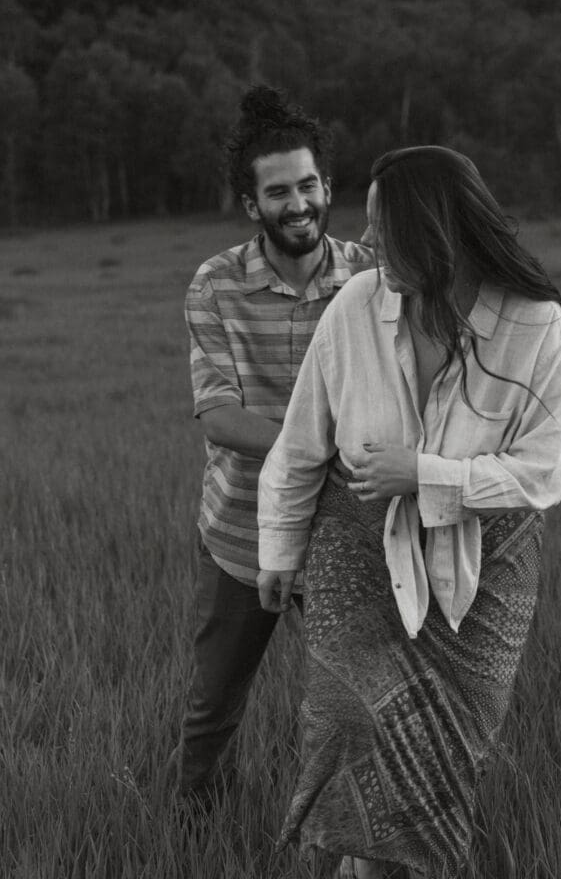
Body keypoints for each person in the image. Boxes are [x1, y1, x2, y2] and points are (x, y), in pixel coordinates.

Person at [257, 146, 561, 878]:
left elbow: (542, 473)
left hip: (484, 553)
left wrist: (423, 475)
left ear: (437, 230)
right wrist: (278, 549)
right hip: (355, 537)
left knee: (444, 752)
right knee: (350, 727)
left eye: (383, 226)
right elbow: (302, 439)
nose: (366, 244)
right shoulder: (354, 305)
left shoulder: (537, 327)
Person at [175, 86, 374, 805]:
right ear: (251, 204)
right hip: (241, 535)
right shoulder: (215, 286)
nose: (298, 204)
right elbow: (221, 416)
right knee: (213, 705)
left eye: (308, 185)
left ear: (327, 187)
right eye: (279, 191)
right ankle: (195, 827)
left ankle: (352, 832)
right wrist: (329, 448)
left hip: (346, 538)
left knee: (361, 701)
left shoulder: (372, 277)